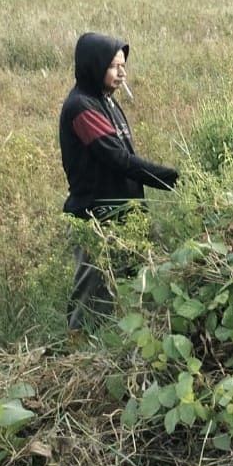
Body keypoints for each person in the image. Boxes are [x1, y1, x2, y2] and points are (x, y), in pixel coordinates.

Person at [60, 32, 178, 334]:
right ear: (94, 66)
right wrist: (169, 178)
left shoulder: (106, 102)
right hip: (97, 217)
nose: (122, 72)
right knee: (91, 298)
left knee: (146, 279)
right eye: (114, 66)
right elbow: (117, 159)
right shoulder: (82, 107)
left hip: (127, 213)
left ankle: (133, 345)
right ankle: (73, 360)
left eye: (123, 65)